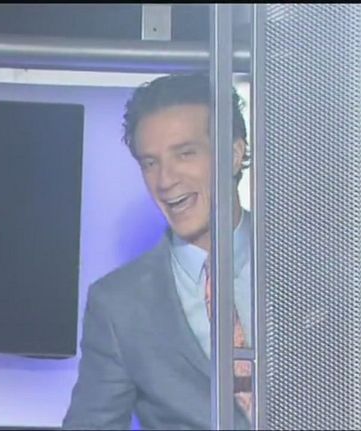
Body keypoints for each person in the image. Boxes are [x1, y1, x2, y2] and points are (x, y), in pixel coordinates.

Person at [62, 73, 253, 430]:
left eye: (185, 154)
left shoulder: (312, 263)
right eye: (150, 163)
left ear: (233, 154)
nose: (165, 180)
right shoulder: (118, 304)